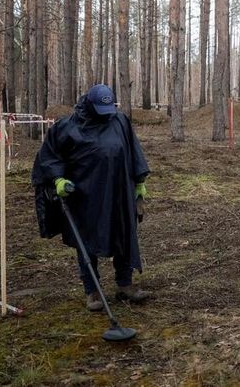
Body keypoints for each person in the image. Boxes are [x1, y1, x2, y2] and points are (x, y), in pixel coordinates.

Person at [32, 84, 150, 311]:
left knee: (124, 234)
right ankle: (92, 291)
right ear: (89, 104)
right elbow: (49, 155)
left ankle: (124, 285)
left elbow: (133, 150)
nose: (106, 116)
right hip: (85, 197)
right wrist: (58, 179)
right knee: (86, 242)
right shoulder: (68, 127)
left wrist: (140, 182)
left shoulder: (120, 121)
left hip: (119, 192)